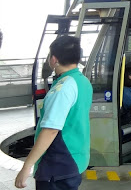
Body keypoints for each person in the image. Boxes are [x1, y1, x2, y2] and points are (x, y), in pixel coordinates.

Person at [15, 36, 92, 190]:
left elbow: (51, 130)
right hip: (75, 158)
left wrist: (26, 166)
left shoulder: (62, 88)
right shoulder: (82, 81)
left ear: (54, 59)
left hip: (58, 163)